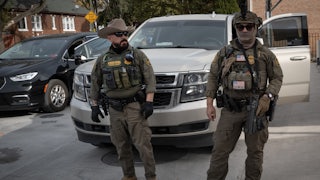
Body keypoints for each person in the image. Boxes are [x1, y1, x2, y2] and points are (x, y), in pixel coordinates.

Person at [206, 11, 283, 180]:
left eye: (249, 26)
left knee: (255, 153)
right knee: (219, 151)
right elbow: (212, 76)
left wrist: (268, 97)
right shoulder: (225, 53)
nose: (245, 30)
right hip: (230, 110)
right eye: (240, 27)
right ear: (236, 29)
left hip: (256, 110)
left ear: (256, 28)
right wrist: (209, 103)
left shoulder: (265, 54)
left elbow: (277, 77)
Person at [90, 18, 157, 180]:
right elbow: (95, 82)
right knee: (121, 146)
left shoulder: (137, 55)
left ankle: (151, 177)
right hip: (114, 110)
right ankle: (129, 176)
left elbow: (150, 79)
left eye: (125, 34)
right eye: (119, 34)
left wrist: (149, 102)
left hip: (134, 107)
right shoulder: (103, 60)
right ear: (110, 38)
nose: (123, 37)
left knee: (143, 146)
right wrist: (94, 105)